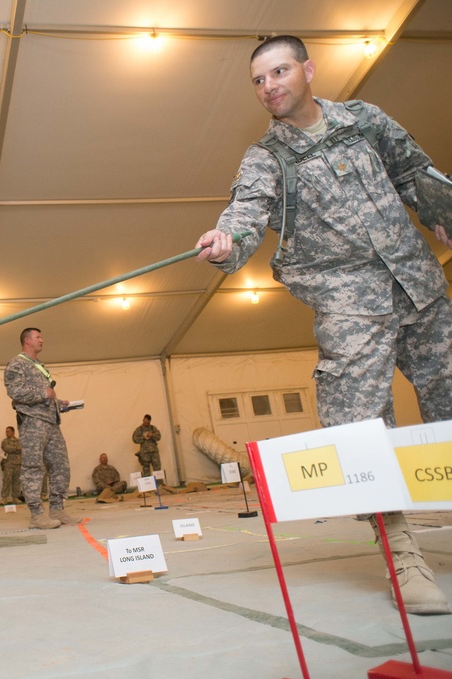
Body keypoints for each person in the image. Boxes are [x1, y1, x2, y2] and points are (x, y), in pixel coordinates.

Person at [194, 35, 450, 616]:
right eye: (258, 81)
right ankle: (401, 552)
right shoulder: (266, 158)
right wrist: (225, 242)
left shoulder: (363, 121)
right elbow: (245, 214)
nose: (269, 87)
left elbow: (415, 172)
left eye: (279, 72)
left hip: (418, 286)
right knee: (361, 428)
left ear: (308, 69)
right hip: (348, 306)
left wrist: (442, 214)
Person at [3, 328, 80, 529]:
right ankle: (36, 515)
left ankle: (57, 509)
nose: (42, 340)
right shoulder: (17, 363)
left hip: (51, 422)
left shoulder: (38, 365)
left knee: (60, 465)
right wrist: (43, 393)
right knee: (33, 467)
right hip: (32, 423)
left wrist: (58, 403)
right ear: (27, 340)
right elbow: (15, 391)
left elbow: (46, 395)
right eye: (38, 337)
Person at [132, 414, 163, 478]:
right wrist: (143, 437)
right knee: (146, 470)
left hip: (154, 452)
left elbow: (159, 437)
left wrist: (152, 435)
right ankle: (148, 486)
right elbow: (134, 439)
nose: (146, 424)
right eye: (145, 422)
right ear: (143, 420)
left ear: (150, 421)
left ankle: (159, 484)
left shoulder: (153, 428)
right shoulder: (139, 429)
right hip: (144, 453)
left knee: (157, 469)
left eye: (148, 422)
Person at [0, 425, 23, 504]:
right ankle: (4, 498)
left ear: (13, 432)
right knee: (6, 480)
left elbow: (22, 449)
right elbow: (6, 448)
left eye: (8, 431)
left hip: (18, 464)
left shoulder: (19, 441)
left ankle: (15, 497)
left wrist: (13, 449)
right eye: (6, 431)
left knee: (16, 481)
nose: (6, 433)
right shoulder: (5, 441)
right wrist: (16, 449)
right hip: (8, 464)